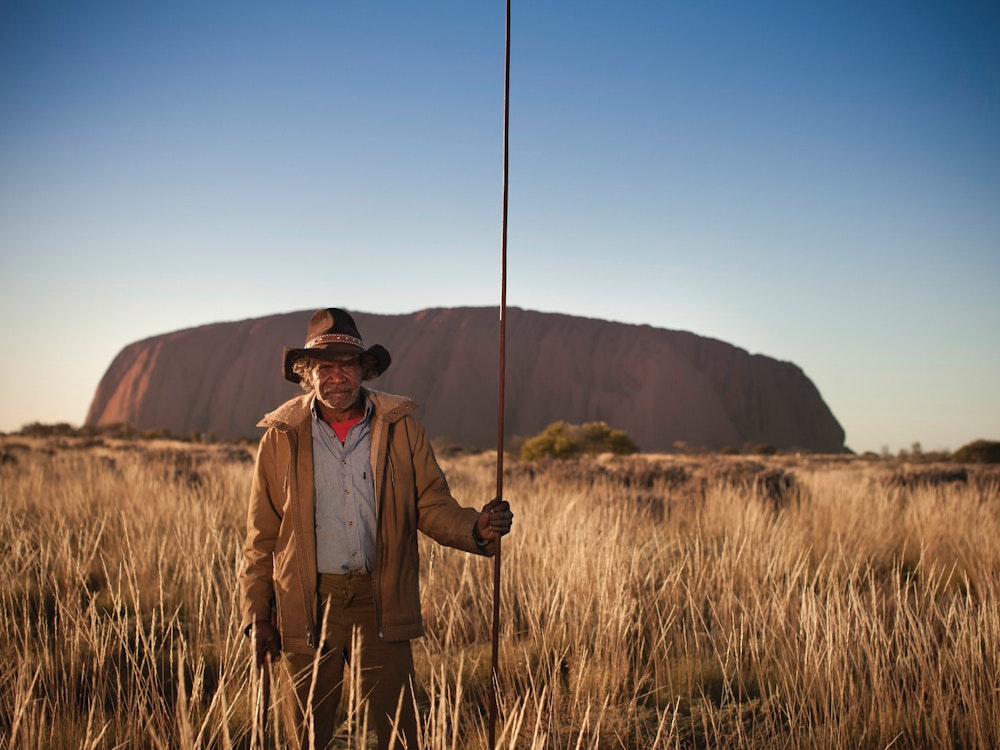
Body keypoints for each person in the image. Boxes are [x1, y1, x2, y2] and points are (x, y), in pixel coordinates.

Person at [240, 307, 513, 750]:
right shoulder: (281, 436)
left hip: (380, 599)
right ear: (307, 374)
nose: (336, 376)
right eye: (323, 366)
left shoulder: (401, 427)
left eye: (346, 365)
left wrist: (475, 527)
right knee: (305, 735)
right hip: (308, 603)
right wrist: (257, 614)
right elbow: (262, 536)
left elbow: (430, 503)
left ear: (363, 370)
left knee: (399, 734)